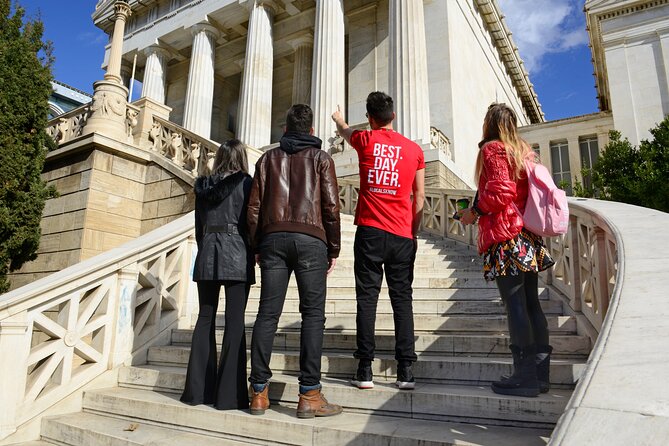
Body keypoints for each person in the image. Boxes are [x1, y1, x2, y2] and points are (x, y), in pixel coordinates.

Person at [247, 104, 343, 418]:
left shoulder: (266, 159)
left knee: (267, 314)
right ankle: (309, 395)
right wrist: (334, 248)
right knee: (313, 316)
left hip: (273, 239)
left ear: (286, 129)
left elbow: (254, 209)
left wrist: (255, 245)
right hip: (311, 239)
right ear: (312, 130)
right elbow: (330, 206)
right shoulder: (321, 159)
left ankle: (258, 392)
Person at [459, 103, 555, 397]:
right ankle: (539, 375)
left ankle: (523, 376)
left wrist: (473, 210)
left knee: (515, 306)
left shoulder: (493, 149)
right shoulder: (523, 151)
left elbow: (501, 191)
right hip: (526, 234)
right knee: (530, 304)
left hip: (505, 235)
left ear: (490, 124)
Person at [331, 91, 425, 391]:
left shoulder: (365, 140)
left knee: (367, 299)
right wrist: (415, 232)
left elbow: (346, 132)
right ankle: (406, 371)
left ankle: (365, 369)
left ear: (370, 119)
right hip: (402, 234)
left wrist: (338, 119)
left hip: (370, 232)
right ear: (393, 116)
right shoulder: (414, 150)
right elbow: (419, 196)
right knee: (402, 301)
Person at [181, 139, 255, 410]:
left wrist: (207, 250)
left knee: (205, 319)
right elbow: (251, 222)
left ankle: (197, 392)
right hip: (237, 253)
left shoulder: (203, 187)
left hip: (208, 253)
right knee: (235, 322)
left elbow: (199, 227)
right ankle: (229, 396)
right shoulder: (247, 183)